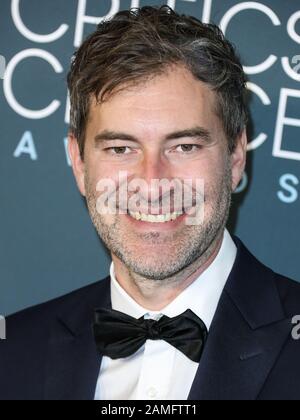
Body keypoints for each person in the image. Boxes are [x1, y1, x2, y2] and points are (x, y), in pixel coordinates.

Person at [1, 5, 300, 401]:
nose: (153, 183)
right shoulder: (13, 351)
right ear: (78, 162)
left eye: (184, 146)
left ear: (235, 157)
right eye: (121, 148)